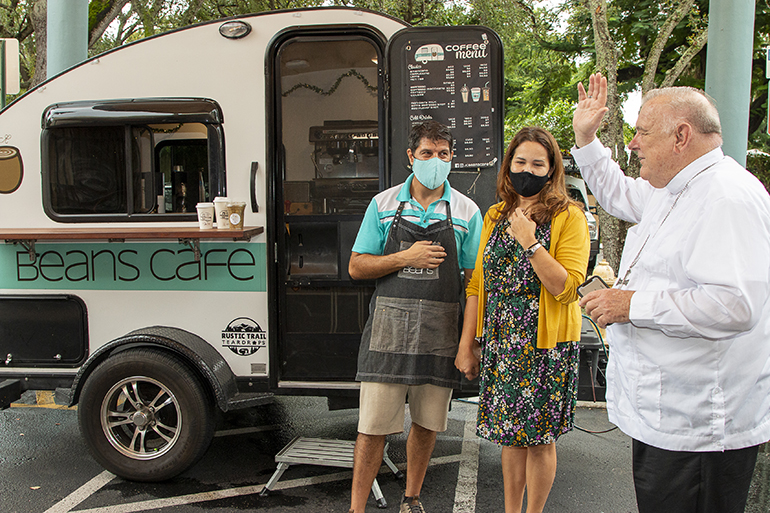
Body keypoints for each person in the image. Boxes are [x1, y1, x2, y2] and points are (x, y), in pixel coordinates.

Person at [572, 72, 770, 513]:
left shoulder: (725, 198)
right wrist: (586, 140)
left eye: (642, 132)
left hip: (699, 427)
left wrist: (631, 304)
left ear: (682, 136)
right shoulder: (676, 187)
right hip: (670, 420)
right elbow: (618, 193)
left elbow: (734, 305)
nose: (634, 144)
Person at [348, 120, 482, 513]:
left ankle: (411, 498)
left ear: (452, 158)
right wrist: (405, 258)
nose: (435, 161)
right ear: (411, 157)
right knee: (372, 429)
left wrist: (467, 344)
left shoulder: (466, 212)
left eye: (443, 154)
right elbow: (357, 267)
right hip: (388, 330)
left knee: (427, 425)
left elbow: (474, 285)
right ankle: (357, 508)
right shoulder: (384, 204)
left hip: (440, 333)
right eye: (427, 153)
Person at [455, 126, 590, 513]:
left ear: (551, 170)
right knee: (510, 438)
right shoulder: (496, 214)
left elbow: (566, 288)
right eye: (519, 161)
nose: (526, 170)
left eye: (537, 163)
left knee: (539, 440)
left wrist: (531, 243)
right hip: (502, 342)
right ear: (508, 166)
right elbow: (477, 284)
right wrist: (468, 344)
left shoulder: (569, 217)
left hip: (546, 346)